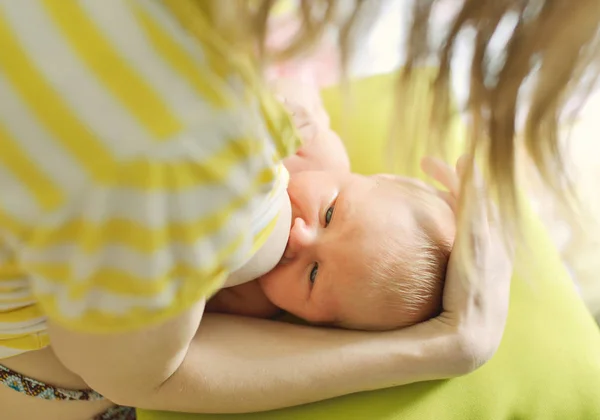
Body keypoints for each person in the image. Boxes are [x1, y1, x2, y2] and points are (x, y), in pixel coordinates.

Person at [0, 1, 594, 419]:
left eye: (313, 278)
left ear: (314, 326)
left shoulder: (255, 291)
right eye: (334, 213)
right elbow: (135, 376)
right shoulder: (244, 156)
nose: (303, 238)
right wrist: (449, 347)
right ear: (368, 175)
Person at [208, 89, 456, 331]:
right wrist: (280, 109)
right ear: (375, 177)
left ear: (318, 322)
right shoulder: (321, 157)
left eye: (313, 274)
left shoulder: (249, 299)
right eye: (328, 215)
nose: (299, 237)